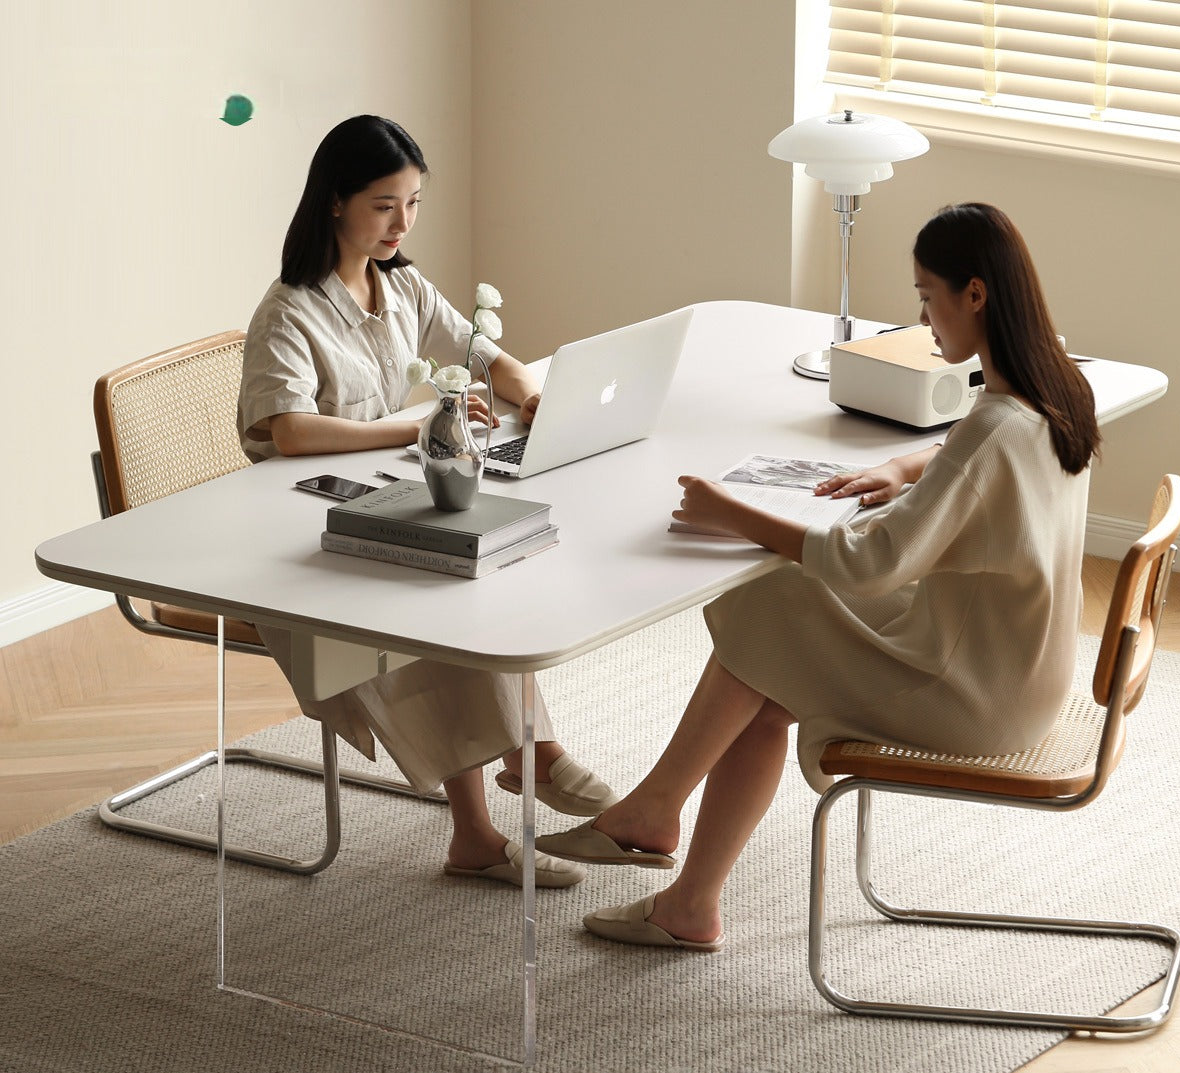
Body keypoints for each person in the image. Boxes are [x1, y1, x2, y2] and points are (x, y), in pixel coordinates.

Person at [537, 202, 1100, 948]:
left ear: (975, 294)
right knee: (770, 671)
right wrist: (905, 467)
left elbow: (870, 564)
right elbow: (972, 458)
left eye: (928, 296)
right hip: (1019, 670)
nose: (925, 318)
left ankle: (654, 815)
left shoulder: (995, 427)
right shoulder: (1057, 389)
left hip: (970, 694)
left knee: (769, 595)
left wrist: (728, 511)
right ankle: (685, 892)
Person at [237, 114, 615, 888]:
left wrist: (531, 395)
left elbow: (490, 357)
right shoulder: (291, 309)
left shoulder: (401, 285)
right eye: (384, 205)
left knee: (481, 575)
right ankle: (517, 776)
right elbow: (291, 431)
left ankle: (505, 791)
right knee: (440, 605)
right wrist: (409, 426)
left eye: (413, 202)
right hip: (296, 539)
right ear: (335, 202)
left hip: (386, 505)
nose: (402, 223)